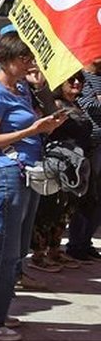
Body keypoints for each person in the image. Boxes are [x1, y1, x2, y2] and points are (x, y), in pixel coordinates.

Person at [0, 32, 65, 341]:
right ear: (8, 61)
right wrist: (31, 129)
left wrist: (43, 118)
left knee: (15, 251)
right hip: (6, 174)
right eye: (24, 59)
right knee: (1, 249)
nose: (30, 63)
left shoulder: (21, 87)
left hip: (26, 174)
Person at [29, 72, 91, 273]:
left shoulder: (78, 104)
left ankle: (55, 250)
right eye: (71, 80)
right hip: (58, 163)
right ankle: (39, 254)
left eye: (80, 80)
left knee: (66, 210)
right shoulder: (54, 104)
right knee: (50, 208)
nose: (76, 83)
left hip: (76, 165)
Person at [66, 57, 101, 263]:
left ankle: (86, 241)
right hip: (88, 145)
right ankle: (76, 244)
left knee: (97, 200)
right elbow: (83, 103)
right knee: (85, 197)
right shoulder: (80, 78)